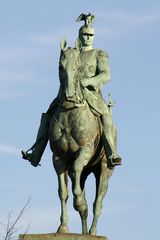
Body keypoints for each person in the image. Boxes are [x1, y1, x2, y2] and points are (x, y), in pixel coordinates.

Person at [22, 13, 122, 167]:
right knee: (48, 115)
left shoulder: (99, 54)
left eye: (90, 35)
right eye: (85, 34)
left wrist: (88, 81)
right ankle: (36, 153)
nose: (88, 37)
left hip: (91, 94)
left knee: (105, 115)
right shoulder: (72, 53)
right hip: (66, 93)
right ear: (79, 35)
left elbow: (105, 75)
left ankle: (111, 153)